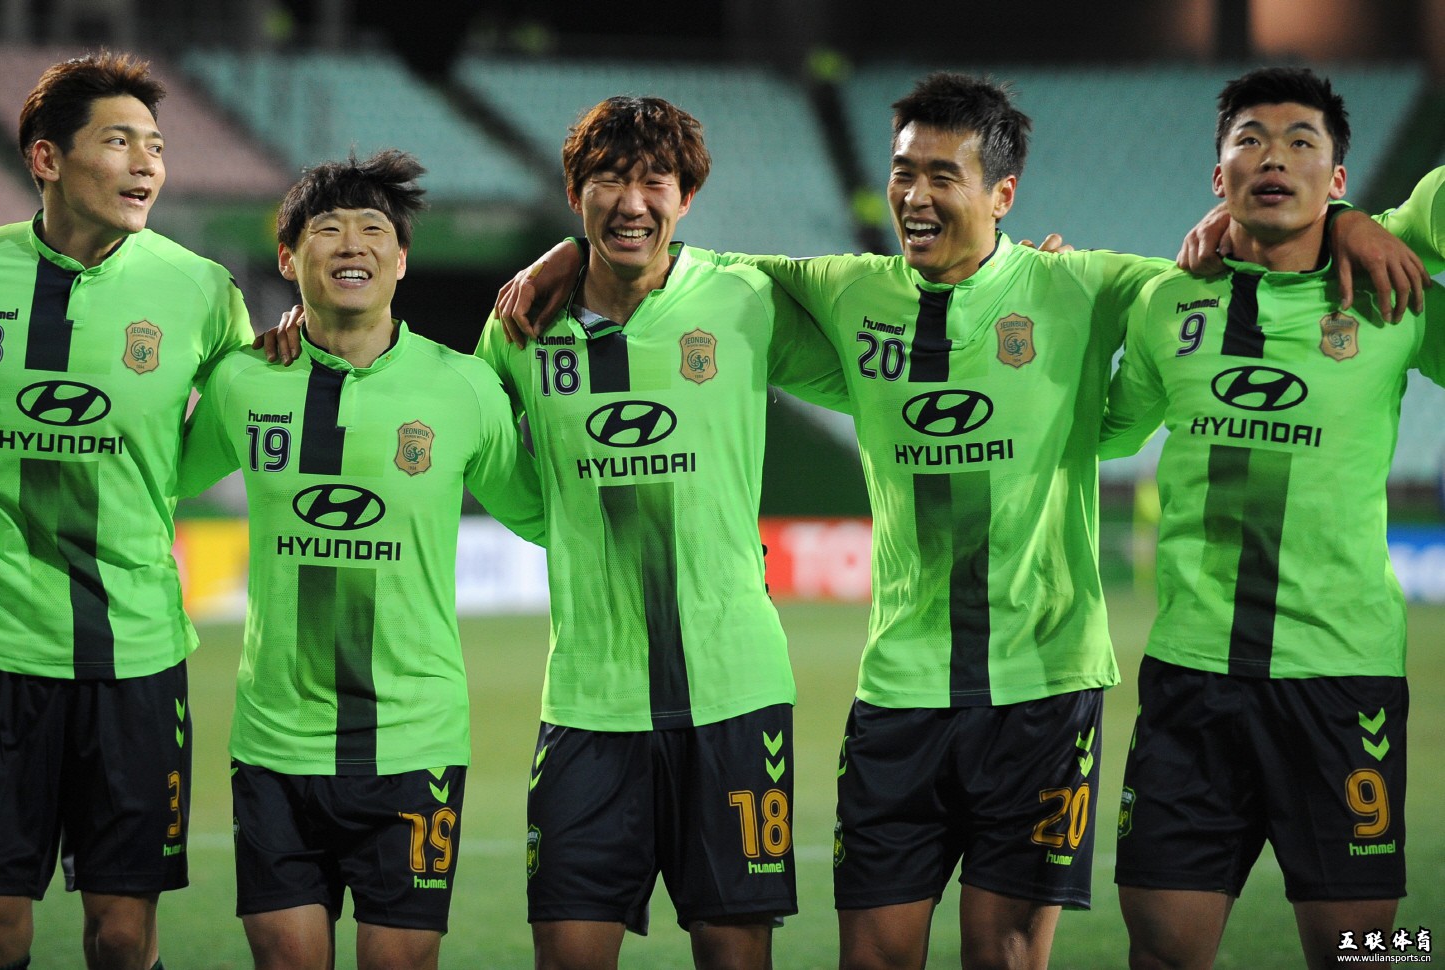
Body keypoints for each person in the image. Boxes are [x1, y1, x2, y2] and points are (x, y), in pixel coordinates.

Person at [497, 73, 1424, 970]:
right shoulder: (844, 289)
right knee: (1123, 946)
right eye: (905, 172)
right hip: (913, 686)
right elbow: (672, 266)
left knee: (1354, 949)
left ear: (1003, 193)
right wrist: (571, 252)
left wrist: (1345, 221)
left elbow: (1252, 258)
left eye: (944, 175)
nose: (917, 194)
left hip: (1068, 685)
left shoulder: (1094, 288)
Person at [472, 96, 850, 970]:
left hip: (735, 691)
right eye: (609, 179)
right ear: (577, 192)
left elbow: (879, 348)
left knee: (733, 954)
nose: (631, 201)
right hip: (588, 703)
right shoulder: (522, 328)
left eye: (656, 181)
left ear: (688, 199)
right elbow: (479, 450)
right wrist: (561, 520)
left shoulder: (743, 299)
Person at [0, 51, 252, 970]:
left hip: (135, 655)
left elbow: (228, 424)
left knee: (122, 933)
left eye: (157, 145)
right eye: (119, 141)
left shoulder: (203, 291)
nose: (148, 164)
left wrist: (152, 482)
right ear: (47, 158)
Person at [1100, 67, 1445, 970]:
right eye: (1249, 139)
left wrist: (1377, 222)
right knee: (1163, 942)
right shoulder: (1163, 302)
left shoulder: (1393, 300)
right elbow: (1107, 428)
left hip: (1341, 677)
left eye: (1302, 143)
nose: (1273, 158)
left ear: (1337, 180)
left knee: (1372, 950)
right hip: (1191, 675)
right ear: (1219, 176)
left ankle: (1427, 952)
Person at [179, 149, 545, 970]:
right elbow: (152, 474)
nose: (353, 244)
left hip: (414, 745)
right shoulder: (245, 382)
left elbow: (549, 518)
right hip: (275, 743)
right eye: (328, 229)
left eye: (374, 229)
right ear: (288, 258)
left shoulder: (464, 389)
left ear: (403, 258)